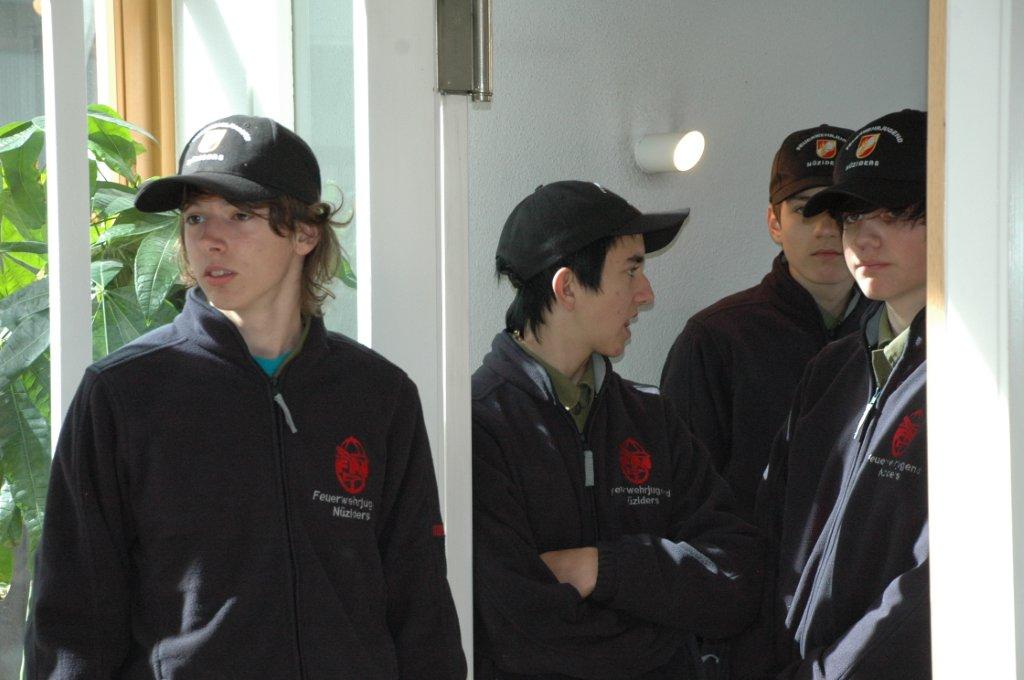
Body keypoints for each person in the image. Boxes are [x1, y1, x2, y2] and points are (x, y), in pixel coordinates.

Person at [25, 115, 467, 679]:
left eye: (240, 215)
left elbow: (421, 603)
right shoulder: (123, 393)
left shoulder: (378, 395)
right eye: (195, 217)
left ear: (305, 234)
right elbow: (73, 616)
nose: (211, 238)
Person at [472, 180, 762, 679]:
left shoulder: (653, 417)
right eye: (631, 270)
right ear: (567, 288)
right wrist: (667, 629)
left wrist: (601, 569)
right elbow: (518, 633)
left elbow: (737, 579)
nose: (646, 295)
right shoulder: (481, 426)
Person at [753, 109, 930, 678]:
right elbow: (770, 532)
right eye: (853, 215)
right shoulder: (832, 369)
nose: (863, 237)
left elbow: (933, 585)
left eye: (894, 214)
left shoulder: (976, 377)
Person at [660, 123, 870, 520]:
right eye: (805, 208)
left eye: (843, 210)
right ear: (774, 223)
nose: (826, 228)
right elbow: (682, 500)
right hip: (748, 558)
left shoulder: (902, 335)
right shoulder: (715, 340)